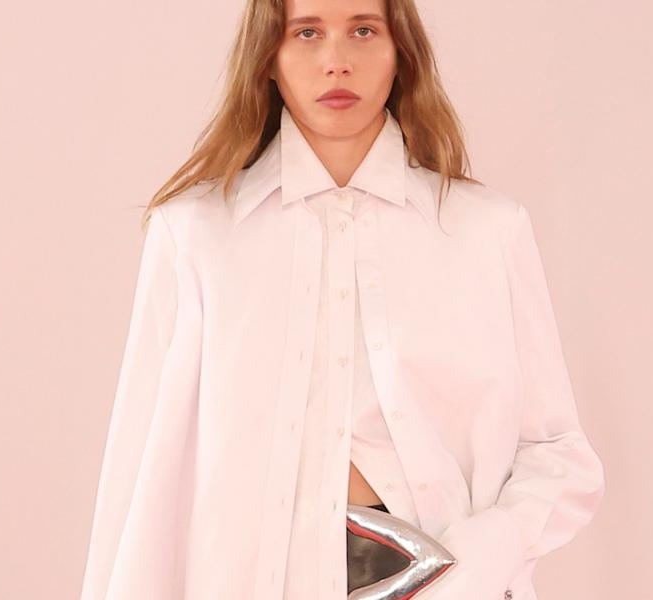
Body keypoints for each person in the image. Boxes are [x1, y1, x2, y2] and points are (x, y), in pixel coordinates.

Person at [78, 0, 606, 598]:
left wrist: (483, 553)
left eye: (363, 30)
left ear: (400, 52)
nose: (337, 61)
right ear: (268, 57)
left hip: (440, 584)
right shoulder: (193, 235)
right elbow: (140, 469)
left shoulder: (487, 231)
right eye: (307, 32)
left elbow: (560, 454)